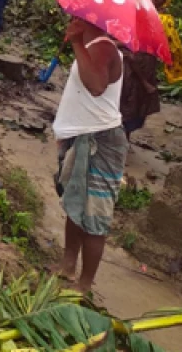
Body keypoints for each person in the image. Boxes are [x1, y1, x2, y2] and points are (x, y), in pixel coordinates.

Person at [52, 17, 128, 294]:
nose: (70, 19)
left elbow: (96, 85)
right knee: (75, 204)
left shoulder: (105, 48)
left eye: (76, 17)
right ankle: (67, 266)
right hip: (81, 135)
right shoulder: (93, 46)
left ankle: (84, 284)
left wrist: (75, 43)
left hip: (102, 140)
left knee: (95, 215)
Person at [119, 0, 182, 139]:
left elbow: (172, 43)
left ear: (165, 0)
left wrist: (172, 66)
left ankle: (125, 135)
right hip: (127, 59)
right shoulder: (134, 11)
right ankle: (117, 135)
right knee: (123, 95)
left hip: (147, 61)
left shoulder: (165, 20)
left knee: (139, 100)